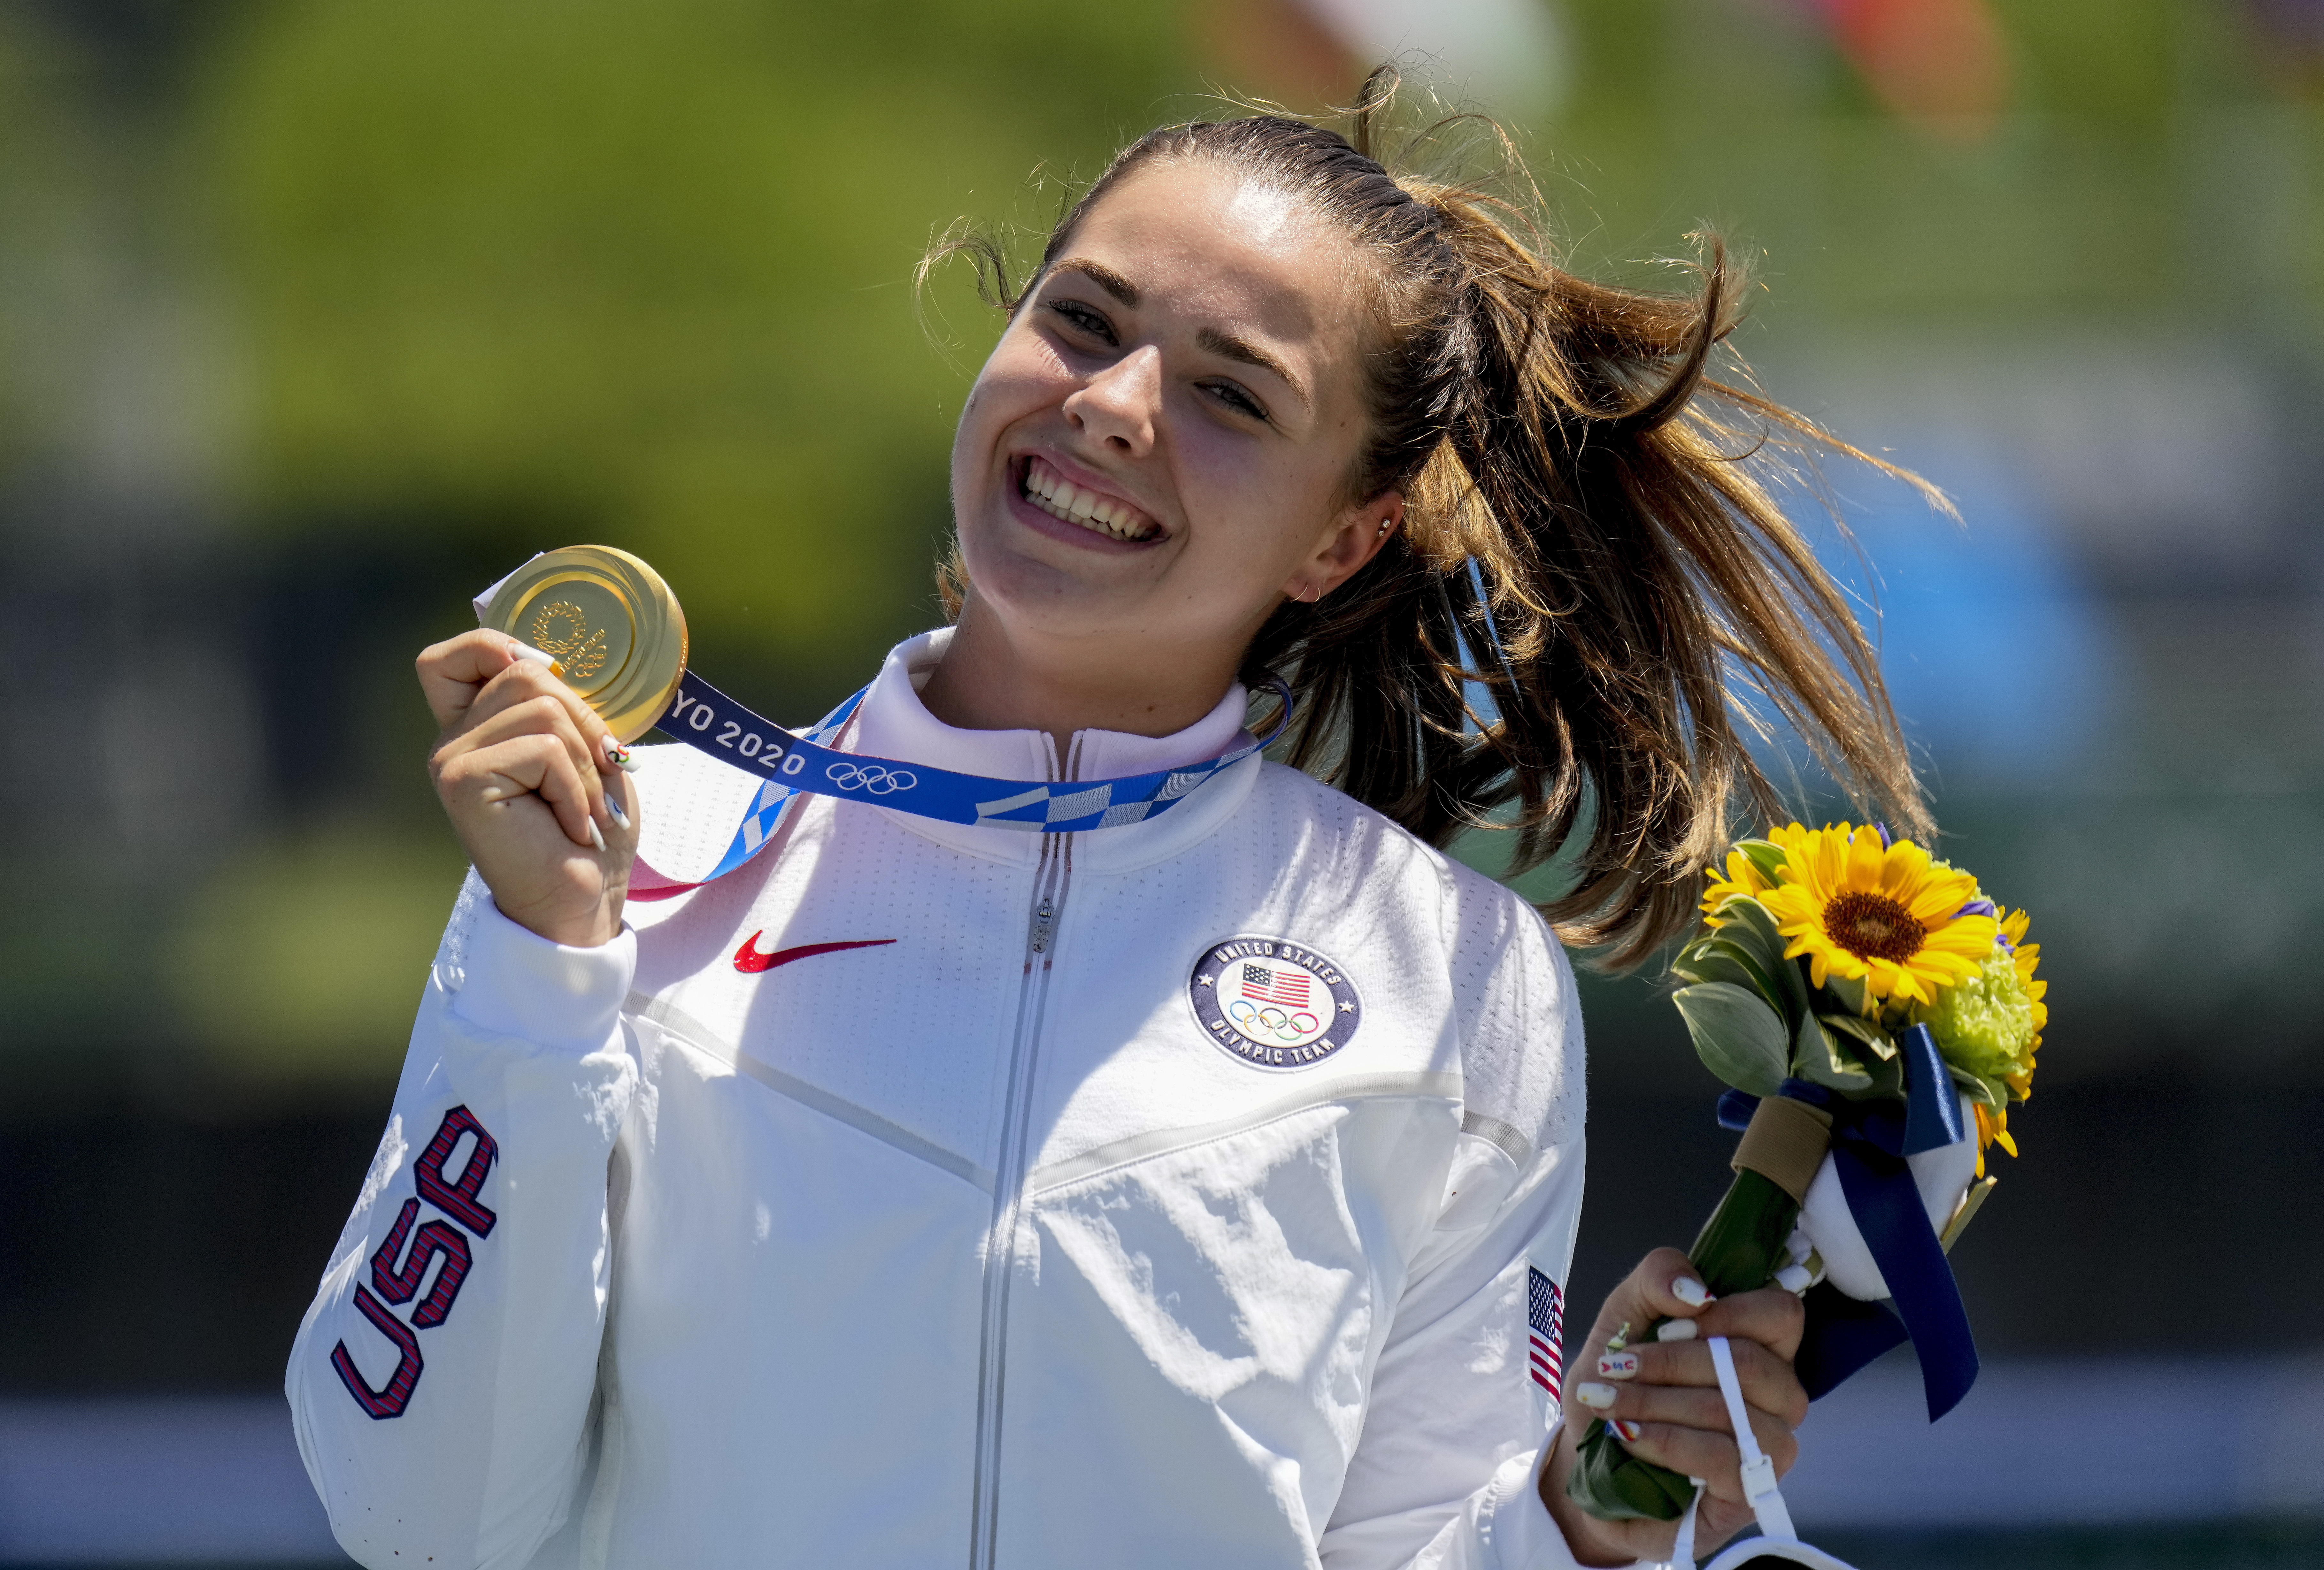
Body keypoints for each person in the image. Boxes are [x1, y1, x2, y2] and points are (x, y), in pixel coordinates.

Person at [287, 77, 1931, 1570]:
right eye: (1083, 317)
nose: (1116, 404)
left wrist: (1577, 1516)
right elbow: (416, 1515)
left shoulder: (1457, 976)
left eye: (1233, 392)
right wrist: (540, 976)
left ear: (1339, 542)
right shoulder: (620, 853)